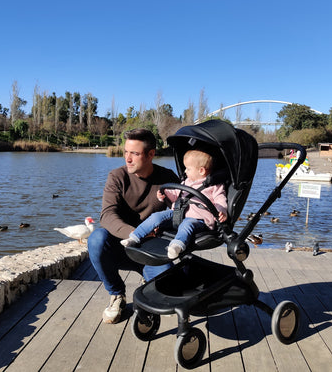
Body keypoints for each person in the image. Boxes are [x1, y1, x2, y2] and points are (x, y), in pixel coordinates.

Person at [88, 128, 179, 324]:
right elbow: (107, 215)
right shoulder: (117, 177)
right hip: (123, 247)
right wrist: (137, 234)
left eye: (135, 154)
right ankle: (117, 295)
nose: (128, 159)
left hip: (154, 252)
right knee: (96, 239)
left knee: (168, 295)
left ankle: (149, 286)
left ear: (151, 154)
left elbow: (182, 214)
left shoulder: (168, 178)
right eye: (125, 152)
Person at [121, 149, 228, 259]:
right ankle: (134, 237)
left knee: (186, 225)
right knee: (156, 216)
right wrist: (164, 194)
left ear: (201, 170)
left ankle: (177, 245)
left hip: (199, 220)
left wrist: (222, 211)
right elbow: (176, 195)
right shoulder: (187, 182)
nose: (185, 171)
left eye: (188, 169)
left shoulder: (214, 186)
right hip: (178, 214)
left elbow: (220, 199)